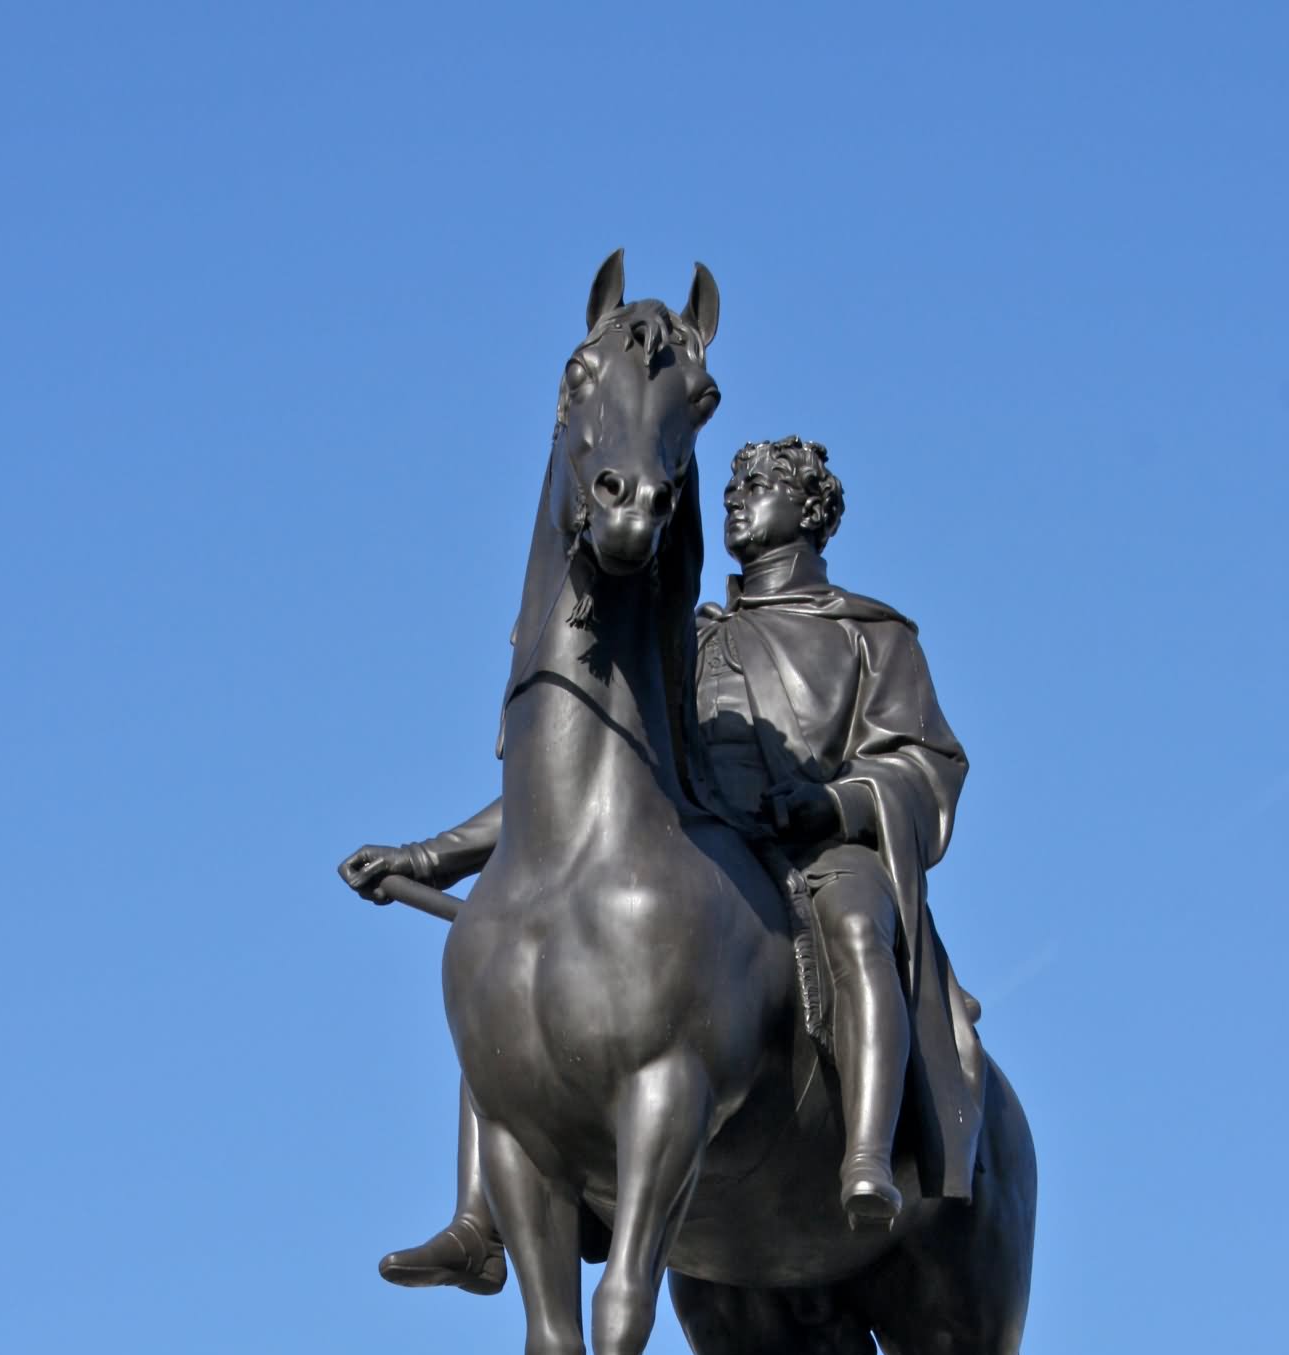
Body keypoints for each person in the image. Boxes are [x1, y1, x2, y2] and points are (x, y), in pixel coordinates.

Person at [341, 436, 983, 1294]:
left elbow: (920, 762)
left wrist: (831, 805)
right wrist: (427, 856)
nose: (737, 498)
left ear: (811, 509)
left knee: (862, 924)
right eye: (733, 484)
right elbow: (575, 794)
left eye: (761, 485)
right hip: (698, 857)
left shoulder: (869, 634)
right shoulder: (690, 641)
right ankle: (475, 1222)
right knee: (514, 957)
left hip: (814, 852)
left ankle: (866, 1154)